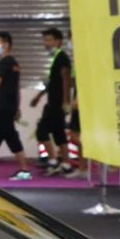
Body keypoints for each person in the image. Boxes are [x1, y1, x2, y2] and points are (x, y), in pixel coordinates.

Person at [0, 31, 32, 180]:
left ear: (6, 44)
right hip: (8, 107)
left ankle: (24, 170)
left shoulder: (4, 62)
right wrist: (17, 107)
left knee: (11, 137)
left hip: (4, 107)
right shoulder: (14, 63)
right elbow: (17, 87)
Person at [31, 27, 74, 174]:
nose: (46, 43)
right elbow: (52, 83)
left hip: (57, 103)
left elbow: (66, 79)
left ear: (58, 41)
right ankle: (66, 164)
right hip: (53, 101)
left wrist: (65, 101)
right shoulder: (55, 58)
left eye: (49, 40)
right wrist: (39, 96)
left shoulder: (62, 57)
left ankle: (53, 161)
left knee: (41, 131)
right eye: (44, 40)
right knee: (58, 132)